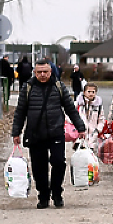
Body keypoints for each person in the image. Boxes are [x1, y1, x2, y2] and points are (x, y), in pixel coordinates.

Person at [11, 58, 86, 208]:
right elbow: (20, 112)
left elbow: (70, 109)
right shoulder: (28, 88)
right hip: (35, 133)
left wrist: (81, 128)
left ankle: (57, 193)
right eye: (39, 72)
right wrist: (16, 132)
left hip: (56, 132)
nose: (43, 74)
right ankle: (43, 196)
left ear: (50, 71)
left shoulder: (59, 86)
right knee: (39, 167)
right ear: (34, 72)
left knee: (59, 162)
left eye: (45, 71)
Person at [75, 81, 106, 150]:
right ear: (84, 92)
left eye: (93, 92)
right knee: (80, 157)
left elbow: (101, 119)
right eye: (89, 91)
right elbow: (70, 115)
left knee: (91, 158)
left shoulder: (98, 106)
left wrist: (98, 130)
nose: (91, 94)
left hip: (93, 136)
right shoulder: (78, 104)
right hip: (80, 136)